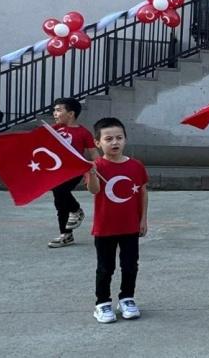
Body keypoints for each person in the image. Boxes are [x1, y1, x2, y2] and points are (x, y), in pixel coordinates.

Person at [86, 117, 148, 324]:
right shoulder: (96, 165)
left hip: (130, 226)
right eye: (109, 139)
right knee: (105, 267)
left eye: (119, 138)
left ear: (125, 140)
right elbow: (94, 190)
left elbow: (142, 193)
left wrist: (143, 220)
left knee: (130, 265)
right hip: (105, 227)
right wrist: (92, 174)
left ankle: (127, 298)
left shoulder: (136, 166)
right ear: (98, 143)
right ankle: (102, 302)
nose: (114, 142)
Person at [47, 97, 97, 249]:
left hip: (75, 170)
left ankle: (76, 209)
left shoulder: (83, 133)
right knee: (60, 202)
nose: (54, 113)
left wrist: (102, 168)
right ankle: (66, 234)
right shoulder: (53, 130)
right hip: (56, 170)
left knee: (61, 191)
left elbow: (94, 155)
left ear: (71, 114)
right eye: (54, 110)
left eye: (58, 110)